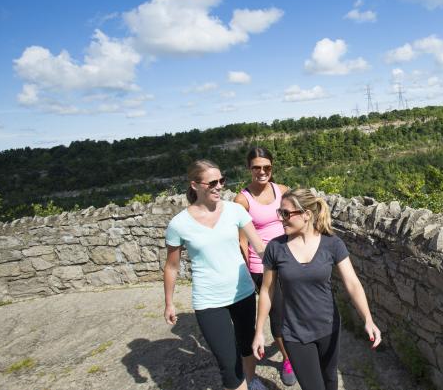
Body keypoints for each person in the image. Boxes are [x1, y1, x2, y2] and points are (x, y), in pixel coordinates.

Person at [252, 189, 382, 390]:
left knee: (330, 381)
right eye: (280, 213)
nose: (281, 219)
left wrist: (368, 319)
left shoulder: (332, 244)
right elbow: (267, 290)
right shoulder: (275, 248)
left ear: (307, 214)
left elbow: (352, 283)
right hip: (295, 332)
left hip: (328, 327)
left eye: (286, 214)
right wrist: (259, 331)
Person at [163, 160, 268, 390]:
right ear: (195, 185)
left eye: (222, 180)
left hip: (243, 291)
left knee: (246, 344)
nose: (219, 186)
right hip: (209, 300)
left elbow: (259, 247)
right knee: (228, 364)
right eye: (212, 182)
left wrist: (286, 269)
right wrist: (169, 303)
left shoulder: (235, 210)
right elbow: (171, 266)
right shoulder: (178, 224)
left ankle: (251, 380)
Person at [234, 147, 296, 387]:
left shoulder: (282, 191)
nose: (262, 172)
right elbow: (241, 240)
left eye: (267, 167)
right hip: (261, 267)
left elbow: (295, 221)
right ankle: (288, 359)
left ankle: (292, 353)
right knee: (276, 315)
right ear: (249, 168)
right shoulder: (242, 200)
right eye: (257, 167)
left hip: (288, 260)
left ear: (272, 167)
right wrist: (249, 274)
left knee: (289, 312)